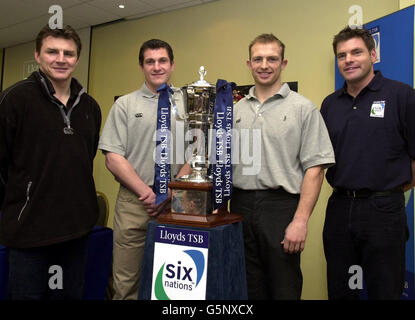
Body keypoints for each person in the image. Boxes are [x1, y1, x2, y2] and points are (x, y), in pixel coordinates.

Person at [230, 33, 335, 300]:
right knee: (247, 286)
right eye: (258, 59)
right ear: (249, 63)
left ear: (283, 63)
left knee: (283, 287)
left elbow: (315, 169)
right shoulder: (234, 111)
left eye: (272, 59)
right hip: (240, 205)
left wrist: (300, 221)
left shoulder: (303, 108)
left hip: (281, 207)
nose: (264, 65)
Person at [0, 25, 101, 299]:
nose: (61, 58)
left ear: (77, 59)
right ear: (37, 55)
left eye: (68, 53)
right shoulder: (15, 99)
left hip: (76, 232)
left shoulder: (90, 107)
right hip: (29, 233)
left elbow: (84, 158)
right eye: (52, 51)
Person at [321, 26, 415, 300]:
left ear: (373, 55)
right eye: (341, 55)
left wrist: (391, 188)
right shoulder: (330, 104)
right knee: (342, 289)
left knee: (384, 290)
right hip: (339, 209)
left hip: (383, 211)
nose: (348, 60)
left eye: (356, 52)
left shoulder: (402, 95)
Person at [99, 39, 186, 300]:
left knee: (174, 286)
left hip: (176, 204)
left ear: (172, 65)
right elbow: (113, 156)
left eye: (162, 61)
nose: (156, 66)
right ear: (141, 66)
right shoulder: (124, 105)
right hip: (135, 204)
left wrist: (171, 192)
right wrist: (147, 194)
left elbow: (197, 153)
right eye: (150, 61)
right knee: (127, 284)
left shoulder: (187, 104)